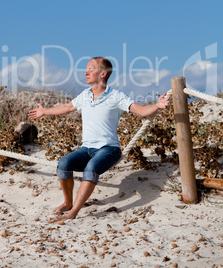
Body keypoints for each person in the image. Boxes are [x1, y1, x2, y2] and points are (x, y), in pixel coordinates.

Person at [28, 56, 169, 222]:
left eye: (90, 69)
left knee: (91, 168)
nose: (86, 72)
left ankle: (72, 213)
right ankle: (67, 203)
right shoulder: (85, 95)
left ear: (103, 74)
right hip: (86, 149)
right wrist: (45, 111)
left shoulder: (116, 96)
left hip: (108, 150)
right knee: (64, 164)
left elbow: (141, 110)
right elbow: (66, 107)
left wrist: (157, 105)